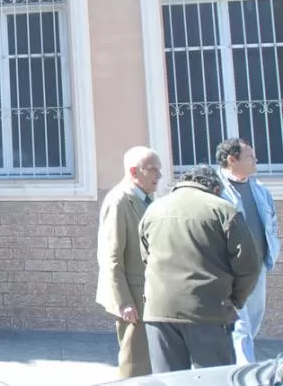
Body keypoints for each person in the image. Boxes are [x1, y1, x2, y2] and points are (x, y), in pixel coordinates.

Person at [139, 165, 261, 373]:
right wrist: (235, 300)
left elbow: (146, 257)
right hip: (207, 310)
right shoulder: (224, 210)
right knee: (213, 377)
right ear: (215, 187)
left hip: (159, 310)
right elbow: (249, 266)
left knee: (168, 379)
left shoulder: (153, 209)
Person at [96, 146, 161, 378]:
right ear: (134, 171)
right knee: (134, 362)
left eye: (159, 170)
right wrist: (123, 301)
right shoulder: (120, 201)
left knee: (149, 361)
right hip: (132, 294)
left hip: (148, 291)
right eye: (152, 170)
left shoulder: (145, 198)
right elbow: (111, 255)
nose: (159, 176)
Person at [214, 138, 280, 365]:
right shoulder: (216, 189)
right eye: (250, 157)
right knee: (239, 322)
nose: (256, 161)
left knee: (254, 318)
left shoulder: (259, 189)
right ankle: (245, 370)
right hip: (231, 268)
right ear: (232, 160)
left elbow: (270, 222)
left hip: (258, 265)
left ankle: (236, 361)